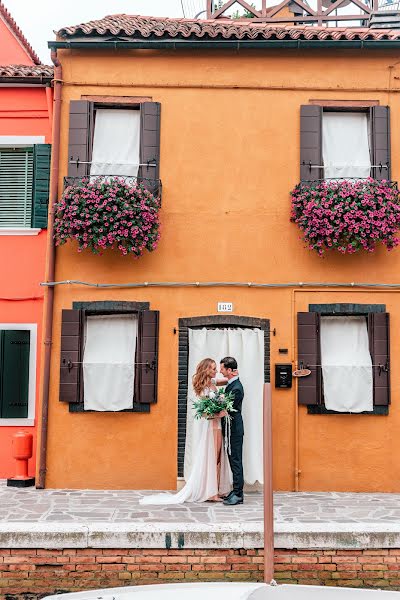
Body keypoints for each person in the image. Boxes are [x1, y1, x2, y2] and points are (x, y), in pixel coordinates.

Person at [139, 358, 232, 505]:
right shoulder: (203, 389)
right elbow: (203, 413)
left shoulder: (212, 383)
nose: (216, 372)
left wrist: (232, 376)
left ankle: (216, 489)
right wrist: (218, 413)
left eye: (216, 368)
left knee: (218, 458)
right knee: (213, 459)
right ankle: (211, 493)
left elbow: (226, 381)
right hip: (211, 427)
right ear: (206, 370)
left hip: (217, 425)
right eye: (213, 369)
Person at [220, 356, 244, 506]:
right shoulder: (231, 383)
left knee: (236, 460)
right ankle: (235, 491)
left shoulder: (236, 388)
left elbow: (227, 409)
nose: (220, 371)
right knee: (232, 459)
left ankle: (239, 494)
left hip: (234, 429)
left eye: (222, 368)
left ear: (229, 370)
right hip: (230, 428)